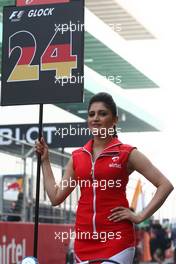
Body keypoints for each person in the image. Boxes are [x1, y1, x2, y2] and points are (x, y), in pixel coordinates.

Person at [35, 92, 173, 264]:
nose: (96, 118)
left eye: (102, 113)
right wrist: (45, 160)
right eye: (91, 114)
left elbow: (165, 185)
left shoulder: (127, 153)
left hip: (117, 240)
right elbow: (55, 197)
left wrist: (139, 216)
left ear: (114, 120)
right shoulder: (77, 156)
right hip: (83, 242)